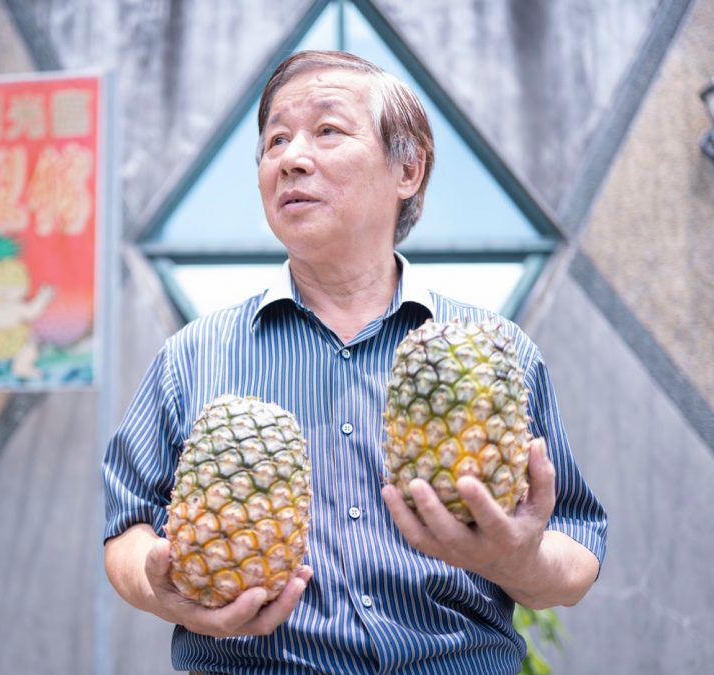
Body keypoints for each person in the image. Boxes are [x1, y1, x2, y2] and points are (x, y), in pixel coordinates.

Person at [102, 50, 607, 674]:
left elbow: (578, 552)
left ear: (408, 169)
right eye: (274, 140)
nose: (290, 157)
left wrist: (517, 561)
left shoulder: (496, 351)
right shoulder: (191, 355)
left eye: (327, 130)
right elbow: (126, 528)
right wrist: (160, 588)